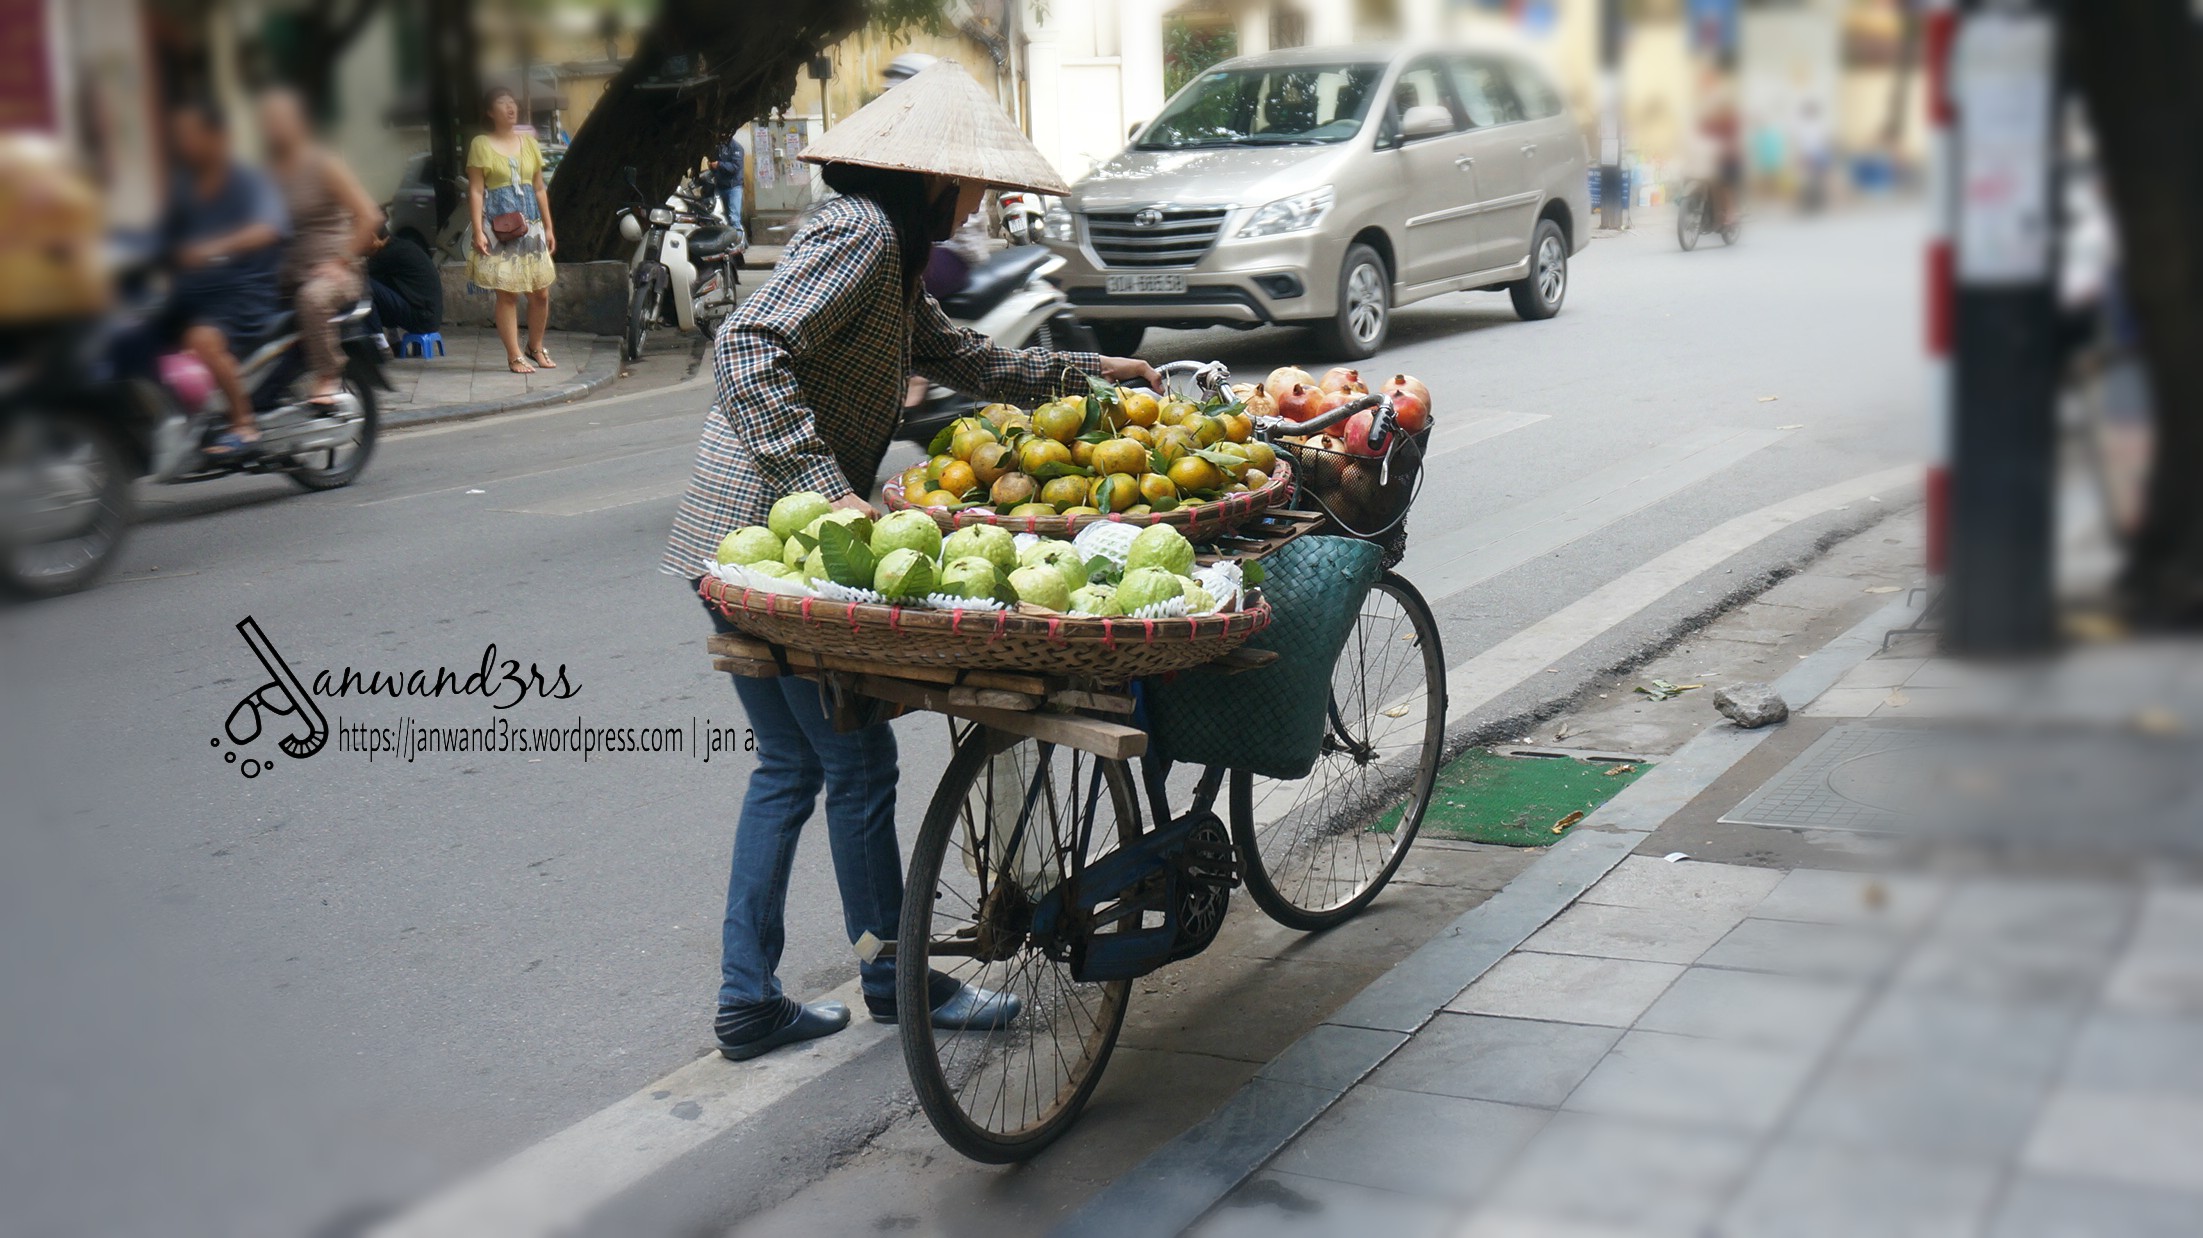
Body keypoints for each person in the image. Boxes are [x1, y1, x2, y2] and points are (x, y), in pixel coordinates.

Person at [662, 61, 1161, 1062]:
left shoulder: (888, 258)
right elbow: (748, 346)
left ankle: (750, 995)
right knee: (849, 758)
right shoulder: (863, 233)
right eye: (971, 185)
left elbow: (966, 357)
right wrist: (824, 483)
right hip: (776, 533)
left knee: (794, 762)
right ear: (931, 180)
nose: (979, 203)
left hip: (730, 536)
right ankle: (892, 981)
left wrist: (1086, 373)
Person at [161, 99, 287, 456]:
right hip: (194, 292)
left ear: (216, 137)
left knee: (202, 340)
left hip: (242, 293)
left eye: (189, 134)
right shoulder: (182, 185)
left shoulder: (249, 182)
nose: (182, 142)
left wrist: (211, 248)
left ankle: (243, 422)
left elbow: (268, 229)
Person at [258, 87, 380, 407]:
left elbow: (369, 216)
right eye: (267, 119)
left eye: (280, 118)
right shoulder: (268, 171)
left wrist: (341, 261)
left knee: (311, 299)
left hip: (334, 276)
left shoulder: (324, 163)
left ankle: (328, 373)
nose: (273, 126)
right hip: (285, 275)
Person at [466, 86, 557, 373]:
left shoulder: (529, 143)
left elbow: (539, 188)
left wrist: (549, 226)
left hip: (531, 227)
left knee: (540, 292)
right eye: (502, 103)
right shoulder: (481, 143)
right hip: (500, 228)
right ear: (489, 112)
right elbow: (476, 191)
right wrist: (478, 230)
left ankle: (536, 345)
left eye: (512, 102)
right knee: (507, 293)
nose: (510, 107)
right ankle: (514, 355)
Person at [366, 226, 443, 338]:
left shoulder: (388, 253)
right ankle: (393, 339)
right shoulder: (400, 246)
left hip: (422, 319)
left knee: (364, 284)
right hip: (429, 318)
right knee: (378, 287)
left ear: (373, 238)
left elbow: (359, 275)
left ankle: (379, 344)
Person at [712, 132, 745, 238]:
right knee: (723, 217)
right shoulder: (718, 147)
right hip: (720, 186)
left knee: (734, 218)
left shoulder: (736, 147)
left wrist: (719, 165)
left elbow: (735, 167)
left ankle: (739, 244)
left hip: (733, 187)